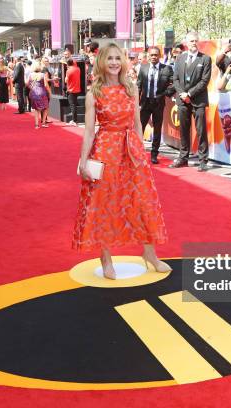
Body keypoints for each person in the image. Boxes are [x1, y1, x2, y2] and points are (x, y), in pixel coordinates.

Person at [73, 43, 170, 279]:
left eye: (118, 58)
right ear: (102, 62)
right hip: (105, 149)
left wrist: (141, 151)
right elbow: (88, 131)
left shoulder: (131, 87)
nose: (115, 63)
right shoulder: (93, 93)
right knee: (103, 202)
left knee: (142, 199)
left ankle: (150, 254)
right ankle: (105, 258)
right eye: (110, 59)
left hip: (131, 149)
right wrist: (83, 160)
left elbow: (137, 122)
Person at [170, 31, 212, 172]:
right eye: (191, 41)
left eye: (196, 41)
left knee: (201, 130)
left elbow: (204, 81)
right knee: (183, 129)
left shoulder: (205, 59)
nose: (194, 43)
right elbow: (175, 78)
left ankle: (203, 160)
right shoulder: (180, 58)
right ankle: (183, 157)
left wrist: (189, 93)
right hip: (182, 100)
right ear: (186, 43)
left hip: (198, 100)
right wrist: (182, 93)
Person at [137, 46, 174, 164]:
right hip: (145, 103)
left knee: (157, 129)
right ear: (148, 56)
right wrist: (136, 102)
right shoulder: (143, 68)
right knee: (140, 128)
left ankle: (154, 154)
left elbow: (174, 84)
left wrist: (165, 94)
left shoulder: (167, 69)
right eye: (151, 55)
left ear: (160, 56)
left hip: (158, 103)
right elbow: (138, 85)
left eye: (156, 55)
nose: (153, 57)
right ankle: (137, 153)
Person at [27, 61, 51, 128]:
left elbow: (27, 83)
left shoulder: (30, 75)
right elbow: (46, 85)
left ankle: (36, 125)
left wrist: (31, 88)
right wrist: (49, 92)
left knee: (36, 109)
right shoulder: (42, 75)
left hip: (33, 93)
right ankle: (43, 123)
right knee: (46, 107)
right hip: (42, 92)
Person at [65, 58, 81, 125]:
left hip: (71, 89)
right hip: (77, 89)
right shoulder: (78, 69)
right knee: (74, 105)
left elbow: (66, 80)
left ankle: (74, 120)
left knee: (72, 105)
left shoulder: (69, 71)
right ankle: (74, 120)